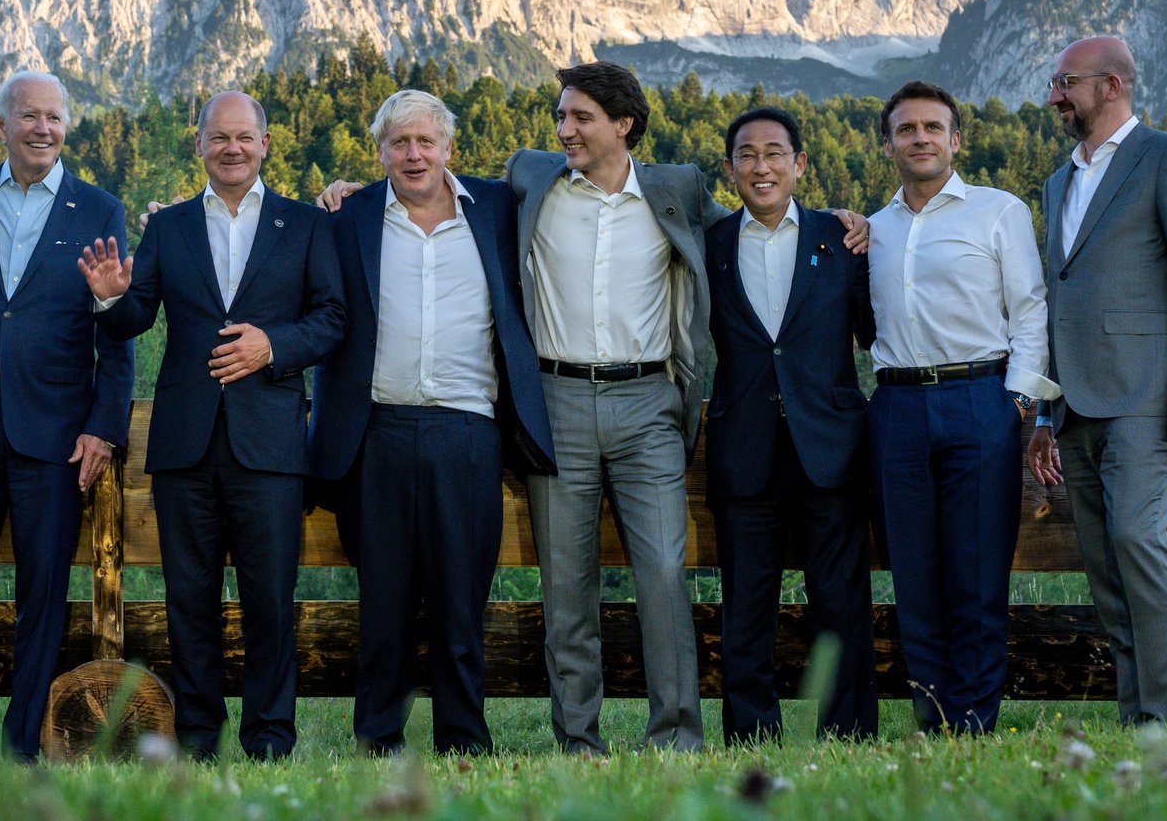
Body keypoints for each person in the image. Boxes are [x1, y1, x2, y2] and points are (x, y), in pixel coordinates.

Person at [317, 62, 867, 753]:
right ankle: (578, 739)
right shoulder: (530, 179)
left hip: (648, 406)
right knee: (566, 586)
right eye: (561, 116)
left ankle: (675, 736)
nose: (563, 129)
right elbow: (426, 188)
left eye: (579, 117)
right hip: (556, 403)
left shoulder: (676, 188)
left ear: (623, 124)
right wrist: (350, 194)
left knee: (665, 574)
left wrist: (837, 226)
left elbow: (755, 228)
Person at [79, 91, 345, 760]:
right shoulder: (168, 228)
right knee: (189, 602)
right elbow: (133, 317)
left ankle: (269, 739)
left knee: (269, 603)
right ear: (198, 144)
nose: (231, 147)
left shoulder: (304, 225)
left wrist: (272, 346)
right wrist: (110, 294)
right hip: (185, 444)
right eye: (218, 137)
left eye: (244, 137)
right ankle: (198, 738)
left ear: (264, 144)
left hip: (272, 443)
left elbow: (333, 319)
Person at [308, 89, 556, 756]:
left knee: (460, 604)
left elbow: (571, 170)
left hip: (468, 432)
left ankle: (465, 742)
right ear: (380, 151)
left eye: (425, 141)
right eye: (399, 142)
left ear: (449, 146)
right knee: (382, 605)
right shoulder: (348, 214)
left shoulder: (499, 209)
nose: (413, 154)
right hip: (376, 433)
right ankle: (376, 741)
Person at [0, 71, 134, 764]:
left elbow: (118, 326)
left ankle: (23, 748)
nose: (41, 129)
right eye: (28, 117)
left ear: (66, 126)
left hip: (57, 431)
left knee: (44, 592)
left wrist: (105, 425)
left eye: (53, 117)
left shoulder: (100, 208)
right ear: (1, 126)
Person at [1027, 36, 1167, 724]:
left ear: (1111, 84)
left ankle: (1163, 721)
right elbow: (1061, 299)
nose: (1054, 97)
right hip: (1075, 406)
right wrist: (1046, 414)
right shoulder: (1059, 181)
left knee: (1136, 542)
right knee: (1103, 564)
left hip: (1147, 398)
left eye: (1065, 84)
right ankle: (1133, 715)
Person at [865, 81, 1060, 734]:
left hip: (980, 400)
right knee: (914, 577)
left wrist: (1015, 403)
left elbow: (1031, 310)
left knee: (977, 577)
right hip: (895, 408)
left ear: (956, 139)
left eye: (932, 127)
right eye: (906, 129)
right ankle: (932, 716)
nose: (920, 138)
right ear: (888, 142)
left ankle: (973, 720)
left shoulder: (998, 212)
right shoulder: (875, 228)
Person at [703, 105, 878, 744]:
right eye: (747, 155)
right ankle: (751, 736)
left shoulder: (844, 239)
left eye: (775, 152)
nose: (761, 166)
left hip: (828, 446)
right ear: (729, 169)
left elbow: (875, 331)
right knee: (746, 608)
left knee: (840, 602)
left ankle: (849, 732)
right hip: (744, 449)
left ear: (800, 164)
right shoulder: (711, 246)